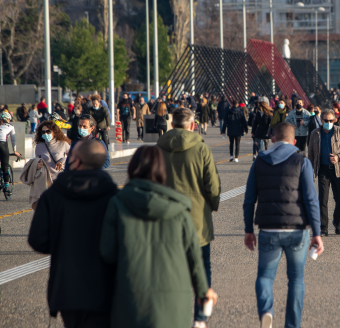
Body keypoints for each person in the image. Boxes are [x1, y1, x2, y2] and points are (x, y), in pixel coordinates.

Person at [99, 146, 218, 328]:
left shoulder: (117, 204)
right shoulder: (179, 209)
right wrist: (203, 291)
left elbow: (107, 253)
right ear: (162, 170)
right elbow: (194, 257)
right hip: (174, 302)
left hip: (130, 297)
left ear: (131, 167)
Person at [28, 139, 118, 328]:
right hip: (105, 286)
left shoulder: (53, 196)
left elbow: (38, 241)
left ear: (75, 161)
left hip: (67, 287)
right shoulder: (114, 197)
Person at [243, 122, 324, 328]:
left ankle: (266, 312)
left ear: (272, 139)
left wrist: (248, 230)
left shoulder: (259, 161)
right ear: (294, 141)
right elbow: (311, 199)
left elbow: (249, 199)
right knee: (296, 280)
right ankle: (292, 325)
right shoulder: (301, 161)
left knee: (265, 277)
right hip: (296, 229)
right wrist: (317, 232)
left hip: (268, 228)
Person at [157, 107, 221, 327]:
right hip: (196, 217)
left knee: (169, 267)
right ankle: (200, 317)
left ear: (172, 125)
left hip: (165, 216)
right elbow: (211, 183)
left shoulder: (159, 147)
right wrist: (212, 205)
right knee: (202, 265)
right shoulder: (201, 148)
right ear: (192, 125)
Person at [307, 109, 340, 236]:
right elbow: (310, 154)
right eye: (325, 120)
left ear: (334, 120)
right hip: (322, 169)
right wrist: (309, 171)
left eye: (330, 120)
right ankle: (323, 228)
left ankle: (337, 222)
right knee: (322, 200)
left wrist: (339, 157)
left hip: (338, 170)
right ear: (321, 120)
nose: (328, 122)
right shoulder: (314, 133)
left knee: (339, 201)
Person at [0, 112, 21, 195]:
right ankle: (6, 186)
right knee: (5, 166)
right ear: (8, 119)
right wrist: (15, 151)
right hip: (2, 145)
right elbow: (13, 140)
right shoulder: (10, 126)